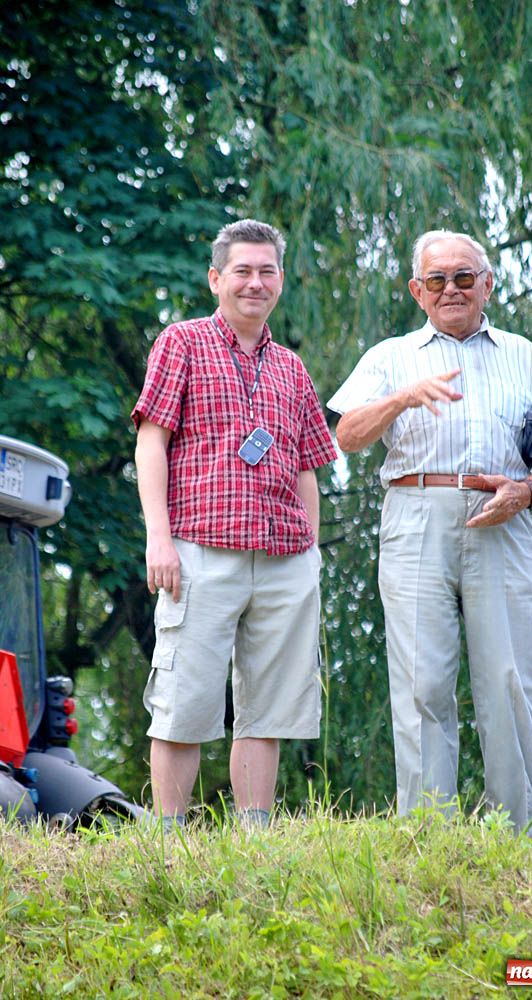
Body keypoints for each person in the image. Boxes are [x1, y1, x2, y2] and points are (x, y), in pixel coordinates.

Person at [328, 229, 532, 833]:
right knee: (422, 682)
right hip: (417, 515)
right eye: (437, 279)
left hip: (506, 516)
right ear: (417, 290)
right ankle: (429, 839)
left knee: (510, 682)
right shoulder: (391, 356)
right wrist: (403, 398)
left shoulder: (524, 355)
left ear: (487, 284)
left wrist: (527, 490)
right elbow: (346, 435)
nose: (451, 289)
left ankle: (512, 839)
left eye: (464, 277)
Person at [132, 219, 336, 829]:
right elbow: (151, 443)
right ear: (216, 278)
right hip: (198, 549)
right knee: (184, 701)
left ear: (280, 280)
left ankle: (256, 838)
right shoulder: (181, 343)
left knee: (269, 709)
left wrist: (313, 554)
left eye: (266, 270)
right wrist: (158, 539)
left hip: (283, 558)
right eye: (242, 271)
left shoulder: (292, 369)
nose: (255, 282)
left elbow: (307, 468)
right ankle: (169, 839)